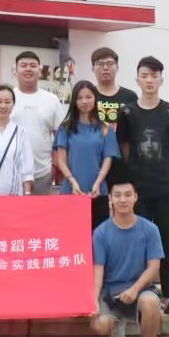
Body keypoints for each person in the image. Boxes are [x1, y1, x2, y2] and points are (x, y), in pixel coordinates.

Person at [120, 55, 169, 317]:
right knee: (138, 243)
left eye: (154, 75)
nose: (149, 80)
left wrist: (165, 170)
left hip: (165, 188)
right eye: (144, 75)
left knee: (167, 243)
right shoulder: (128, 112)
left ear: (162, 80)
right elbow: (125, 148)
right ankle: (142, 295)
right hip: (139, 190)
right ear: (137, 80)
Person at [90, 178, 165, 337]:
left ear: (135, 197)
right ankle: (117, 321)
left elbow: (154, 268)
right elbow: (98, 269)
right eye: (117, 195)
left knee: (150, 303)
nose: (122, 200)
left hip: (141, 288)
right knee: (99, 326)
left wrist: (134, 289)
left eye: (127, 195)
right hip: (111, 291)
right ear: (110, 199)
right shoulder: (100, 233)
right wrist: (93, 299)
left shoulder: (150, 230)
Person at [54, 80, 120, 227]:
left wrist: (98, 183)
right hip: (71, 190)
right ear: (74, 101)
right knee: (71, 233)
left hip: (98, 191)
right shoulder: (65, 128)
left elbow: (108, 159)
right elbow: (61, 160)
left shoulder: (106, 129)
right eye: (80, 98)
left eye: (89, 97)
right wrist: (72, 181)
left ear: (95, 99)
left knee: (97, 234)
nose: (84, 101)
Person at [89, 46, 138, 221]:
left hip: (121, 162)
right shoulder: (87, 95)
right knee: (97, 212)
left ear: (117, 67)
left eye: (110, 64)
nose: (105, 68)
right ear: (93, 68)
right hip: (94, 163)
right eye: (100, 64)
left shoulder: (130, 96)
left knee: (122, 209)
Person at [9, 50, 63, 195]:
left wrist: (54, 167)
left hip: (43, 173)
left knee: (40, 210)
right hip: (9, 172)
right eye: (23, 65)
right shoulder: (6, 98)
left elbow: (60, 137)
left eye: (33, 66)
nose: (28, 69)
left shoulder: (52, 100)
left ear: (39, 71)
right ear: (15, 71)